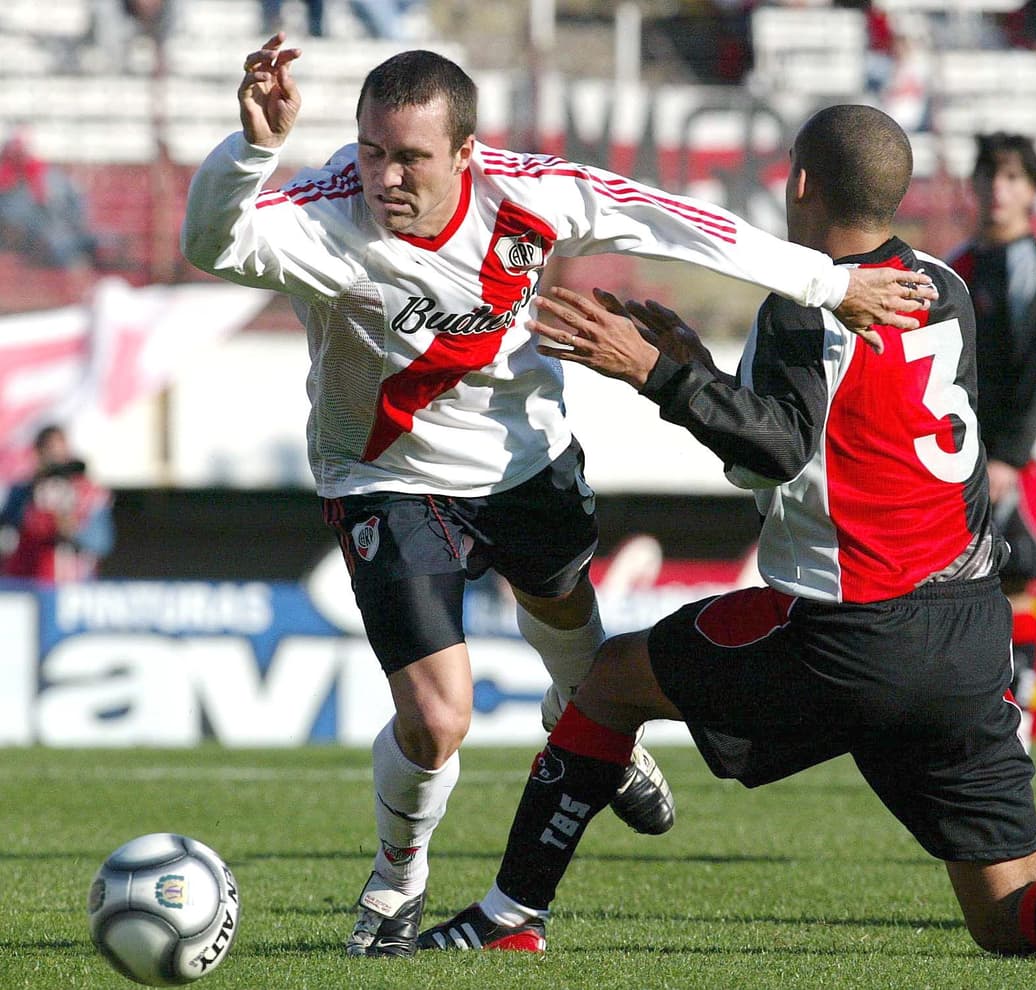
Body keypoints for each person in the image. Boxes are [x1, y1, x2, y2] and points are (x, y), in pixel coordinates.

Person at [415, 104, 1036, 966]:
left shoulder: (801, 308)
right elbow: (845, 429)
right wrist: (701, 373)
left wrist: (656, 374)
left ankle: (508, 913)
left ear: (797, 183)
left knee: (607, 682)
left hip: (851, 632)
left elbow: (778, 455)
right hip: (967, 634)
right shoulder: (945, 285)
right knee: (1005, 914)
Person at [180, 36, 936, 959]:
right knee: (437, 716)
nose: (385, 176)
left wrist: (830, 283)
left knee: (571, 633)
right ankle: (398, 877)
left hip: (524, 458)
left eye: (411, 156)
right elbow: (213, 244)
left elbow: (673, 223)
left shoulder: (533, 192)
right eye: (373, 150)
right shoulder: (325, 211)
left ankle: (578, 716)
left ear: (466, 152)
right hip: (386, 477)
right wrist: (251, 149)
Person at [947, 132, 1036, 752]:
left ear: (1032, 190)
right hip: (955, 454)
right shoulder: (957, 265)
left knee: (1016, 578)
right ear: (972, 186)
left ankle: (1018, 707)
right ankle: (980, 703)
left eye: (1013, 179)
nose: (999, 191)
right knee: (961, 581)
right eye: (990, 177)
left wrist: (1011, 456)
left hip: (1018, 461)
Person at [0, 425, 115, 582]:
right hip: (29, 579)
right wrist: (34, 503)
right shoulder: (23, 490)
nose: (54, 459)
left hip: (75, 580)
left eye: (59, 451)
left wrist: (72, 527)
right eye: (48, 450)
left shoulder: (87, 491)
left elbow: (101, 542)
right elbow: (10, 530)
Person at [0, 128, 104, 271]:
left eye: (22, 151)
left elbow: (73, 205)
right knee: (58, 246)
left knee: (99, 242)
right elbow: (12, 220)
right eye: (15, 152)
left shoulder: (49, 175)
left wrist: (72, 223)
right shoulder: (6, 182)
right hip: (31, 239)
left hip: (59, 232)